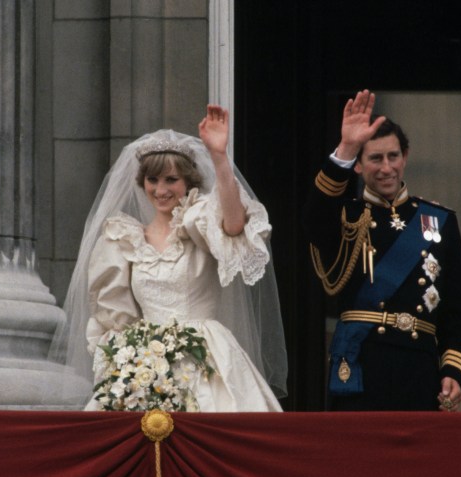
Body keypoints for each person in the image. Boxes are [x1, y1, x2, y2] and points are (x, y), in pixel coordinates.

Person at [50, 105, 287, 411]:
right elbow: (114, 318)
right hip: (144, 361)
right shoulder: (124, 241)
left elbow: (234, 225)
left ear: (188, 183)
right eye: (152, 180)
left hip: (206, 356)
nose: (160, 190)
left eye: (171, 180)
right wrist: (123, 363)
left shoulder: (199, 224)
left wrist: (219, 157)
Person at [303, 89, 461, 411]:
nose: (386, 168)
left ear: (405, 157)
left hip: (419, 367)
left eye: (393, 156)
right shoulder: (345, 215)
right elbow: (314, 217)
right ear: (357, 165)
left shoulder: (438, 221)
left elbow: (457, 311)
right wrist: (346, 148)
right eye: (375, 158)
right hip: (362, 362)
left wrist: (452, 368)